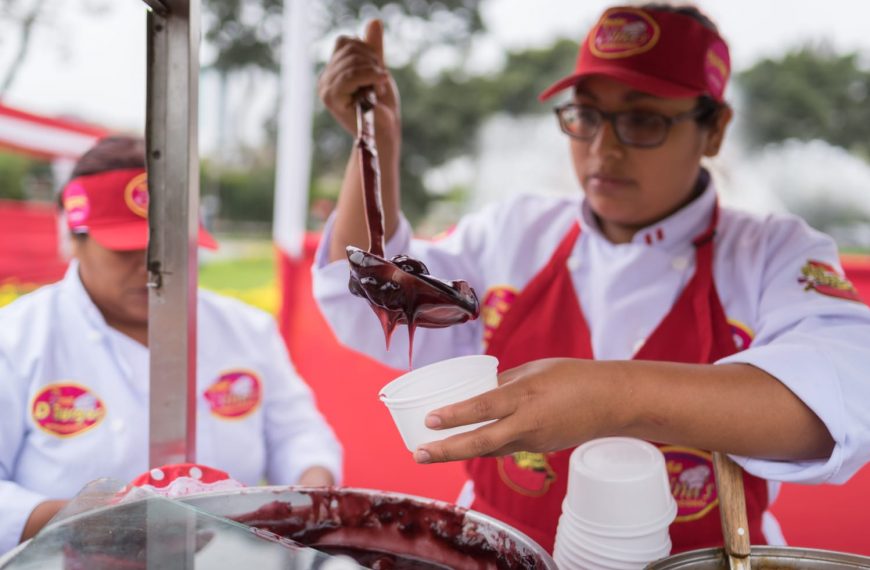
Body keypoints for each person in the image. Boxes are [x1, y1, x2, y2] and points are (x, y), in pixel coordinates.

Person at [312, 4, 870, 554]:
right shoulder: (516, 233)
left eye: (643, 119)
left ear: (716, 129)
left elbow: (847, 392)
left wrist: (613, 397)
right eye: (584, 116)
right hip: (500, 550)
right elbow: (360, 295)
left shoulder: (771, 253)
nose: (604, 148)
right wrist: (375, 143)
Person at [0, 135, 343, 555]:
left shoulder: (245, 329)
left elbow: (298, 433)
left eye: (171, 247)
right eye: (126, 249)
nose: (152, 266)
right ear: (73, 237)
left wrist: (309, 494)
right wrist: (82, 520)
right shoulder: (15, 340)